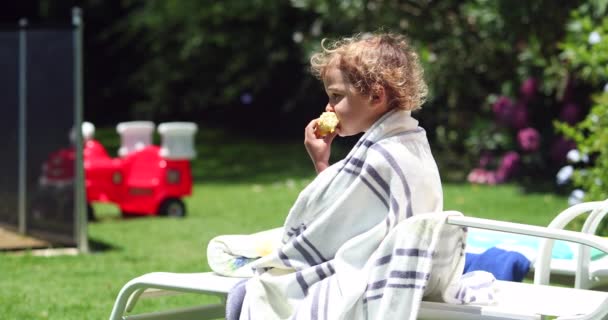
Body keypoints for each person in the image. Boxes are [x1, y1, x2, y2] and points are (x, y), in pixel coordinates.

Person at [222, 31, 450, 320]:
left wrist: (320, 164)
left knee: (257, 289)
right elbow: (350, 220)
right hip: (416, 268)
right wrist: (323, 161)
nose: (329, 107)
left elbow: (325, 231)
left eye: (337, 96)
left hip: (377, 271)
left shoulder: (382, 158)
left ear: (376, 95)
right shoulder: (412, 143)